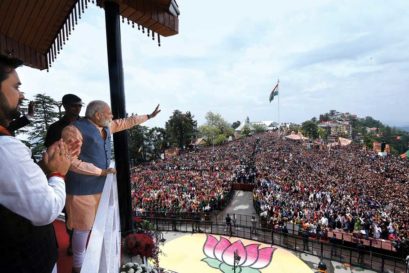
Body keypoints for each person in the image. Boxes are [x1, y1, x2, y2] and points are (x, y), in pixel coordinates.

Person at [62, 100, 160, 273]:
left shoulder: (106, 127)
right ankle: (77, 267)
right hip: (81, 190)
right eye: (109, 113)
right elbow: (70, 161)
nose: (112, 116)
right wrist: (99, 171)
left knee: (97, 227)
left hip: (100, 187)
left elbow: (125, 122)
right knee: (82, 229)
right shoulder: (73, 130)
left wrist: (148, 116)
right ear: (98, 115)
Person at [0, 54, 76, 273]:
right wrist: (58, 172)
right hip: (24, 259)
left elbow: (13, 182)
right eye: (15, 87)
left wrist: (41, 168)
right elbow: (46, 209)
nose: (22, 95)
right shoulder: (6, 149)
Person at [44, 93, 83, 255]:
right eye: (75, 105)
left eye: (81, 105)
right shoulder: (55, 128)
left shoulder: (86, 125)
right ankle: (73, 243)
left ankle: (78, 243)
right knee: (70, 211)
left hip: (84, 173)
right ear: (66, 106)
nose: (79, 108)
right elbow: (50, 151)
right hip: (66, 175)